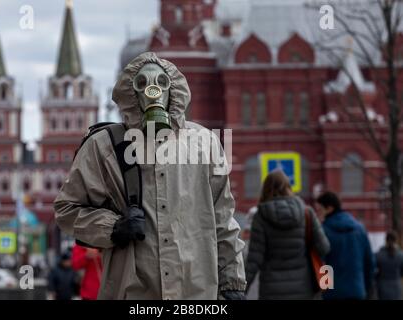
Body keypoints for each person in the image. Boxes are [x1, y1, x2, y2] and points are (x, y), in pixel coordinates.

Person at [54, 52, 246, 300]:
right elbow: (67, 209)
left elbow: (223, 220)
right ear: (130, 92)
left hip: (195, 295)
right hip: (132, 293)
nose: (152, 91)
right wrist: (113, 227)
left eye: (161, 83)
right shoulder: (104, 146)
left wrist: (232, 283)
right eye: (142, 83)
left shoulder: (204, 143)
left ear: (173, 88)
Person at [245, 170, 330, 300]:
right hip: (304, 289)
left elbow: (254, 260)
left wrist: (241, 290)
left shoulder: (261, 216)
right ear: (288, 187)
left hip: (271, 291)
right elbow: (324, 248)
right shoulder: (307, 213)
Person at [316, 191, 375, 300]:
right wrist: (365, 288)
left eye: (319, 210)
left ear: (329, 208)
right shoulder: (359, 229)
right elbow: (369, 263)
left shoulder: (323, 231)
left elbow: (320, 264)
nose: (317, 214)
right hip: (357, 291)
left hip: (331, 294)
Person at [375, 231, 403, 300]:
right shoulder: (400, 255)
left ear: (386, 240)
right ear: (396, 240)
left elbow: (375, 271)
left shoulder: (379, 255)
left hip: (382, 286)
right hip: (396, 286)